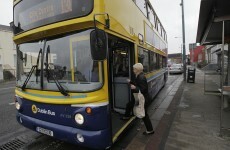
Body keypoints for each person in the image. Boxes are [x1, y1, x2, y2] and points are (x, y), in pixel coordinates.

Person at [122, 63, 154, 135]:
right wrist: (130, 82)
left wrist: (135, 88)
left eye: (134, 69)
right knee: (132, 106)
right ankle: (149, 129)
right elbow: (138, 84)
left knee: (144, 115)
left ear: (137, 70)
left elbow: (144, 89)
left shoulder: (141, 77)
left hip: (143, 98)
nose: (133, 70)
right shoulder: (139, 76)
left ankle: (150, 130)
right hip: (141, 98)